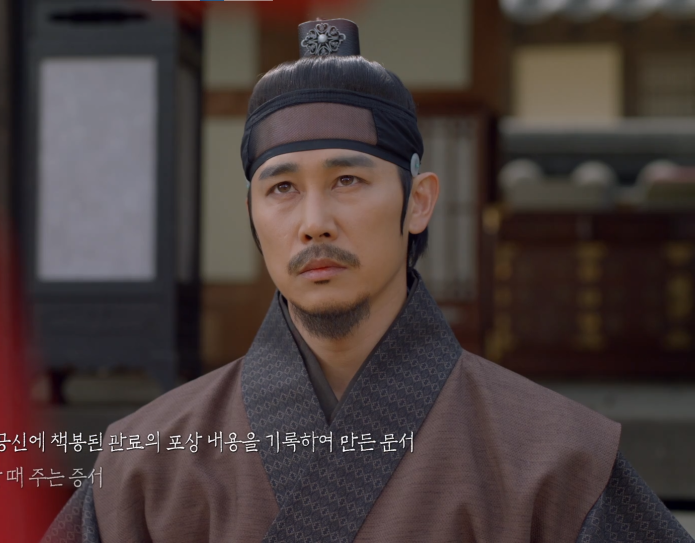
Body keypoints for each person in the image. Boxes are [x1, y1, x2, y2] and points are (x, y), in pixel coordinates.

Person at [44, 18, 693, 543]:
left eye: (348, 180)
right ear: (252, 213)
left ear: (419, 202)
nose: (314, 223)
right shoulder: (145, 464)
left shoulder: (554, 460)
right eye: (282, 189)